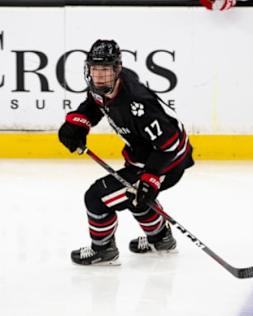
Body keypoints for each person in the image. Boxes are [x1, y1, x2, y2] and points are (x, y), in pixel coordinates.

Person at [58, 39, 194, 265]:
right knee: (136, 198)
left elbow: (170, 144)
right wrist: (78, 123)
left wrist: (151, 179)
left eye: (105, 70)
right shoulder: (105, 87)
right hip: (144, 158)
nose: (99, 76)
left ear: (117, 70)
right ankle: (160, 239)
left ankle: (103, 250)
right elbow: (94, 104)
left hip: (167, 161)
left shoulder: (137, 103)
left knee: (97, 198)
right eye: (94, 69)